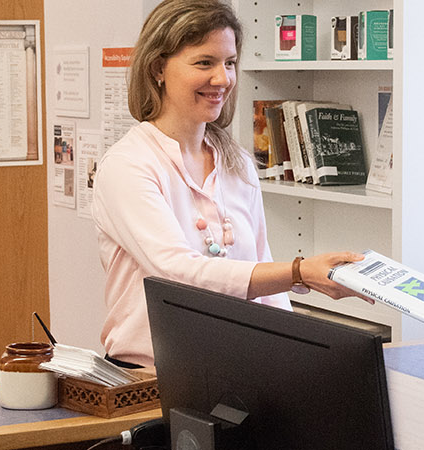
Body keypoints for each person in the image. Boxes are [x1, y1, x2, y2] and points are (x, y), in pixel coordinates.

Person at [92, 0, 364, 368]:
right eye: (205, 63)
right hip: (148, 378)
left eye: (230, 63)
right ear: (158, 68)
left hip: (237, 369)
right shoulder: (128, 165)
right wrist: (300, 272)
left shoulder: (235, 162)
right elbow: (177, 274)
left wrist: (295, 358)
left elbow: (262, 265)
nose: (222, 79)